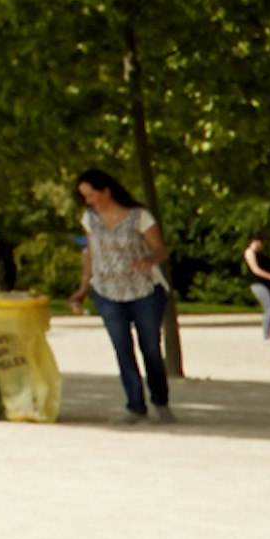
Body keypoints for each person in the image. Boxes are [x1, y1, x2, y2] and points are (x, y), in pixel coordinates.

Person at [75, 169, 174, 421]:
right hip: (107, 291)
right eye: (84, 196)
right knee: (122, 348)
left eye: (91, 195)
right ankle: (135, 406)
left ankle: (160, 401)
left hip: (144, 291)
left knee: (150, 347)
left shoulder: (139, 216)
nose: (88, 201)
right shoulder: (90, 218)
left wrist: (150, 258)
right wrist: (83, 287)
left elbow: (159, 249)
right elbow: (91, 254)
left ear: (106, 190)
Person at [244, 235, 270, 341]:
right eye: (260, 242)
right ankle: (266, 334)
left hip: (267, 284)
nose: (261, 245)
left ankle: (268, 333)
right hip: (257, 284)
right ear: (254, 241)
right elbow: (255, 270)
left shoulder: (261, 255)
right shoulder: (250, 252)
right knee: (269, 309)